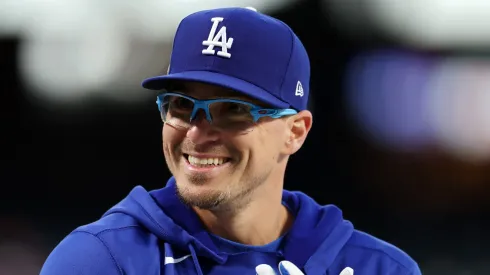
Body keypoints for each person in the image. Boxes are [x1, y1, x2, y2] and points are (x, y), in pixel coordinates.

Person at [40, 6, 421, 275]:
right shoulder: (101, 260)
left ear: (295, 132)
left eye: (233, 110)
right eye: (181, 106)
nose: (197, 132)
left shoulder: (378, 268)